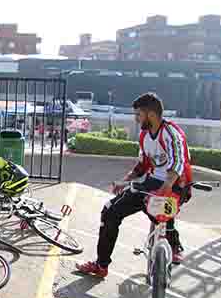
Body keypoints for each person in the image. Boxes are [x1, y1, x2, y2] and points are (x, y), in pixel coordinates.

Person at [77, 92, 192, 278]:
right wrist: (125, 180)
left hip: (177, 184)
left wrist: (167, 186)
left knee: (163, 210)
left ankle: (173, 243)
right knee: (109, 212)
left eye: (138, 114)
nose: (136, 119)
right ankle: (101, 265)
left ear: (151, 115)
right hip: (151, 182)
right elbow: (142, 165)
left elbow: (179, 161)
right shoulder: (144, 136)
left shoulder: (172, 133)